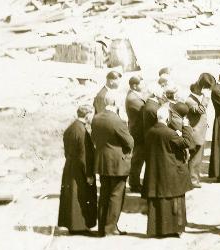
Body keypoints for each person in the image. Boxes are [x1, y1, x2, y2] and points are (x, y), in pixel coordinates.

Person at [143, 104, 192, 238]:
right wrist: (186, 127)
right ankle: (174, 228)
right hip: (171, 171)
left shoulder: (150, 132)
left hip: (156, 171)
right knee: (174, 200)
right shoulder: (170, 134)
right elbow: (187, 142)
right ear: (167, 118)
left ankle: (157, 229)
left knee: (158, 202)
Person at [91, 94, 133, 237]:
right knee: (116, 195)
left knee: (104, 194)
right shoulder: (117, 120)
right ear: (115, 103)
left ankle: (102, 227)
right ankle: (111, 228)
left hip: (103, 162)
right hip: (117, 163)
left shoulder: (96, 118)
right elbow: (130, 142)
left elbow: (94, 138)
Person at [58, 105, 97, 235]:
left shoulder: (71, 128)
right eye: (91, 114)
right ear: (87, 115)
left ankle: (73, 225)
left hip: (70, 166)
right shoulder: (81, 131)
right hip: (80, 169)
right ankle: (80, 227)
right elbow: (84, 156)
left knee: (71, 197)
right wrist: (89, 174)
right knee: (80, 196)